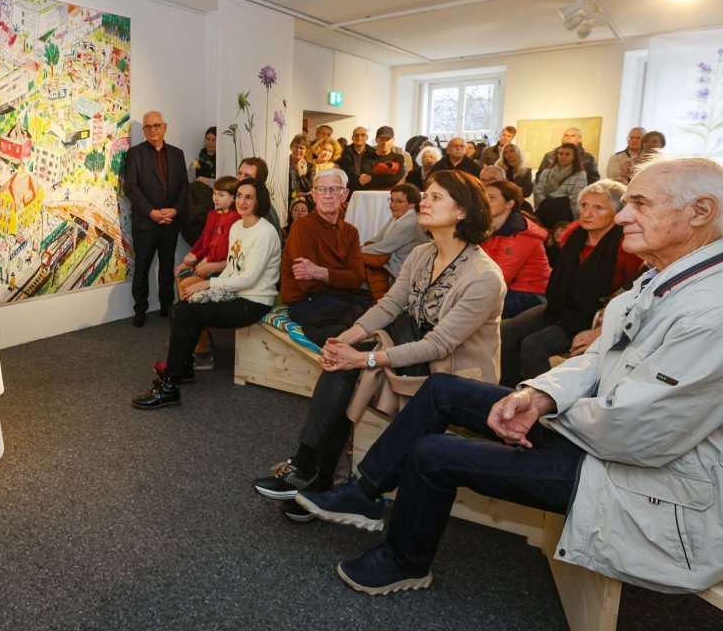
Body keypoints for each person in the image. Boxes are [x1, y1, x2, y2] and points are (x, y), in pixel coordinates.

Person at [294, 157, 723, 596]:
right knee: (439, 390)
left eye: (639, 203)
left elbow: (634, 433)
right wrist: (538, 397)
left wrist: (543, 412)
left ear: (700, 212)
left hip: (629, 473)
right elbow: (596, 362)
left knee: (432, 452)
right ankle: (362, 492)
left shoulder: (709, 312)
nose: (622, 215)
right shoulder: (663, 279)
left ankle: (405, 561)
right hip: (594, 431)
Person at [255, 170, 504, 518]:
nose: (423, 202)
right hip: (417, 356)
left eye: (435, 197)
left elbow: (439, 344)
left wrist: (363, 359)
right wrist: (341, 342)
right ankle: (313, 474)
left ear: (462, 211)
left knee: (353, 367)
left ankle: (312, 473)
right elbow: (389, 306)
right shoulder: (422, 254)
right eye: (426, 195)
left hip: (455, 375)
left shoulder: (484, 277)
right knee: (343, 363)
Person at [132, 179, 281, 409]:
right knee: (182, 308)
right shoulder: (237, 227)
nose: (242, 201)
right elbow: (232, 268)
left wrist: (208, 284)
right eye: (239, 195)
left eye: (249, 197)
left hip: (253, 301)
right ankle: (184, 368)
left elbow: (249, 279)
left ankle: (170, 386)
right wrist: (208, 286)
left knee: (183, 314)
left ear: (259, 200)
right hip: (235, 294)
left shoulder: (265, 232)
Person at [499, 179, 642, 386]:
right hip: (560, 306)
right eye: (584, 205)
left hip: (592, 316)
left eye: (598, 208)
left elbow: (632, 289)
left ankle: (543, 397)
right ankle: (508, 388)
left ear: (617, 213)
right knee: (508, 333)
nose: (587, 213)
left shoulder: (625, 245)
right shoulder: (574, 234)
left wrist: (603, 324)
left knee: (533, 346)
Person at [280, 169, 366, 345]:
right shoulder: (302, 228)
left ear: (345, 194)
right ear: (313, 195)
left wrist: (320, 272)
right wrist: (343, 278)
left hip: (340, 300)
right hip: (307, 302)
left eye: (334, 189)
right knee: (349, 336)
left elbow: (357, 278)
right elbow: (307, 284)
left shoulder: (351, 232)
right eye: (321, 189)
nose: (327, 195)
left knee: (378, 318)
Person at [123, 111, 188, 327]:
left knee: (168, 266)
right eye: (148, 126)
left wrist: (175, 210)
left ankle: (167, 307)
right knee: (142, 268)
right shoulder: (135, 154)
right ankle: (140, 310)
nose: (153, 130)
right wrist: (151, 212)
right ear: (144, 130)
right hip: (145, 223)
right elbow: (131, 188)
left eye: (157, 125)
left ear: (164, 127)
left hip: (170, 222)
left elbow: (184, 186)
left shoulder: (177, 154)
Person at [177, 176, 240, 369]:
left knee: (188, 287)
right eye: (214, 194)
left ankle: (202, 351)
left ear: (233, 197)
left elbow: (226, 251)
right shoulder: (213, 214)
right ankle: (195, 336)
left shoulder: (235, 218)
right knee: (180, 275)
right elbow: (205, 240)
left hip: (224, 272)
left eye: (221, 195)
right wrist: (194, 255)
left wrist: (205, 261)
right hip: (209, 263)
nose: (216, 198)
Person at [481, 180, 550, 318]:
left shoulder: (519, 234)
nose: (484, 202)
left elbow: (500, 279)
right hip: (505, 288)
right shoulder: (487, 227)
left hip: (530, 294)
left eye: (492, 198)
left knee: (471, 308)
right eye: (483, 197)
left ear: (509, 204)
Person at [360, 183, 428, 301]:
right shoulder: (396, 218)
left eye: (398, 201)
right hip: (389, 262)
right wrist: (360, 248)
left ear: (412, 204)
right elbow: (376, 240)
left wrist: (352, 252)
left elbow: (384, 247)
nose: (392, 205)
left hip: (402, 271)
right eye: (391, 200)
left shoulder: (410, 222)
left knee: (359, 270)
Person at [533, 142, 588, 227]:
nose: (563, 156)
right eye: (561, 154)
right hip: (545, 209)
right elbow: (538, 191)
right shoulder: (546, 172)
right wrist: (545, 205)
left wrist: (575, 217)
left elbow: (576, 196)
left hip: (565, 211)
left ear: (574, 157)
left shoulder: (580, 174)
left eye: (567, 154)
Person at [238, 156, 281, 233]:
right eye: (239, 173)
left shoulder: (264, 211)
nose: (240, 179)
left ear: (259, 181)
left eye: (247, 176)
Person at [358, 126, 406, 190]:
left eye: (388, 139)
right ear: (376, 140)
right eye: (382, 139)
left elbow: (396, 179)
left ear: (393, 140)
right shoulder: (367, 158)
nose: (385, 142)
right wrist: (389, 179)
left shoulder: (399, 158)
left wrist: (371, 177)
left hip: (393, 195)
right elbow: (364, 181)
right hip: (372, 194)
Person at [339, 127, 374, 191]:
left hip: (368, 189)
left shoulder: (373, 153)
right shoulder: (343, 153)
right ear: (352, 138)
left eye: (362, 135)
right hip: (349, 189)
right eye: (356, 135)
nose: (359, 137)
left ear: (367, 137)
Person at [287, 134, 316, 201]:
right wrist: (295, 194)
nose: (298, 150)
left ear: (306, 151)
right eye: (295, 147)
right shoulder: (284, 164)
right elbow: (279, 186)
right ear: (291, 147)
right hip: (285, 201)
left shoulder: (310, 167)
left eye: (302, 148)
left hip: (305, 202)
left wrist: (300, 171)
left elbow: (309, 188)